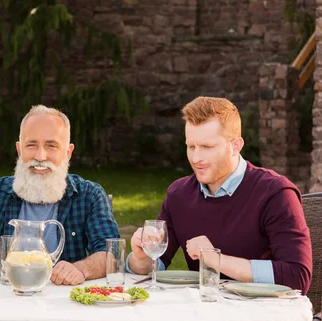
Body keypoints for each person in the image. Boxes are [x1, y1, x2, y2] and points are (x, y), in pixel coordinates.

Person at [127, 96, 312, 293]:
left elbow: (297, 276)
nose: (196, 158)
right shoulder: (178, 195)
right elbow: (155, 265)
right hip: (203, 314)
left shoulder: (276, 193)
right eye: (191, 146)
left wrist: (217, 260)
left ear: (236, 146)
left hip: (262, 316)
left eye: (207, 147)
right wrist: (141, 257)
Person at [0, 105, 119, 285]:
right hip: (1, 298)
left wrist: (82, 269)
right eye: (32, 145)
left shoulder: (89, 195)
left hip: (64, 299)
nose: (41, 156)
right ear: (19, 150)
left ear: (68, 152)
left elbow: (111, 254)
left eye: (51, 146)